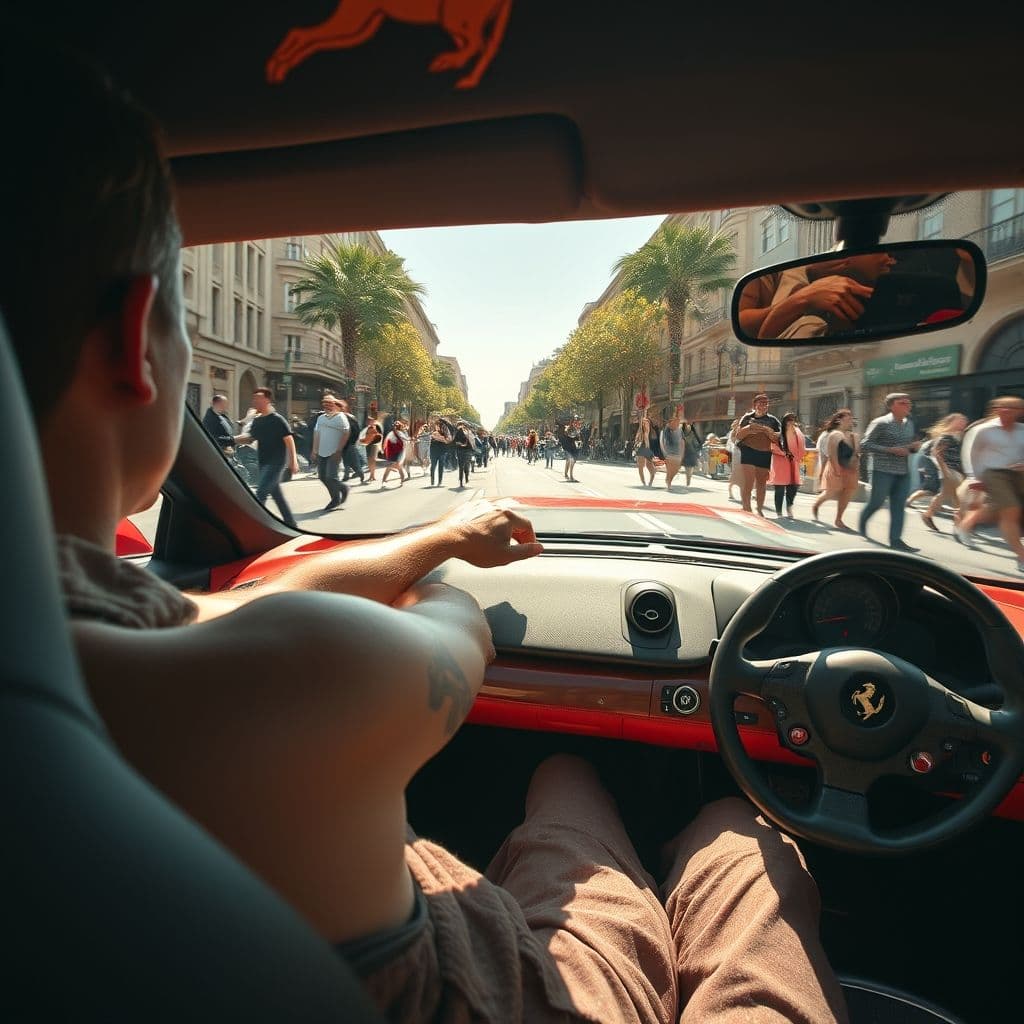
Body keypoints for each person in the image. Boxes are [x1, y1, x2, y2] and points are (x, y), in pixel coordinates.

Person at [4, 50, 850, 1024]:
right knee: (742, 850)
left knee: (570, 802)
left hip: (431, 934)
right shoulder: (315, 673)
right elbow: (456, 635)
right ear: (134, 334)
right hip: (502, 990)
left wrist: (439, 529)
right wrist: (446, 558)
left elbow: (237, 610)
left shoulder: (88, 643)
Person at [956, 396, 1024, 570]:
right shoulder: (983, 430)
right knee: (1011, 510)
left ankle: (965, 525)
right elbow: (971, 454)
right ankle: (1021, 555)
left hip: (1019, 475)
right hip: (993, 473)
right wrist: (974, 477)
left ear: (1020, 411)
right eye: (1003, 407)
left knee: (996, 510)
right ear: (996, 409)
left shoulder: (1022, 430)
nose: (1007, 410)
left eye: (1013, 408)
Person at [858, 392, 920, 551]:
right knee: (876, 503)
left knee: (899, 506)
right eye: (903, 403)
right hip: (882, 470)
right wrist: (890, 450)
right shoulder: (880, 423)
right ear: (891, 406)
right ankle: (863, 521)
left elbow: (907, 446)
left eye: (909, 403)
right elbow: (864, 444)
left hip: (903, 472)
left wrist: (913, 448)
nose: (908, 406)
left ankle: (896, 540)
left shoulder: (909, 423)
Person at [234, 387, 300, 529]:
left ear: (267, 400)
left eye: (259, 397)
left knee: (261, 493)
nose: (255, 400)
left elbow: (289, 440)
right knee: (276, 494)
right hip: (263, 461)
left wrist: (293, 461)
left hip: (276, 463)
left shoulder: (277, 419)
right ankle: (291, 523)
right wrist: (231, 439)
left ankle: (256, 526)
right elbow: (249, 438)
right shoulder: (257, 420)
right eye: (254, 398)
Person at [812, 409, 861, 530]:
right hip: (836, 467)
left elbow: (857, 453)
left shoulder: (854, 436)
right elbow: (832, 454)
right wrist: (837, 470)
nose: (850, 420)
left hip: (851, 469)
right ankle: (816, 505)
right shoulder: (834, 434)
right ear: (839, 420)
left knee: (847, 493)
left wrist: (856, 462)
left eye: (851, 418)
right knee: (830, 493)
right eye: (848, 418)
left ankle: (839, 519)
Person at [920, 413, 968, 532]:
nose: (964, 423)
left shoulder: (957, 436)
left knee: (953, 496)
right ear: (952, 422)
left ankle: (929, 515)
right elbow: (936, 453)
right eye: (960, 420)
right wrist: (945, 470)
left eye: (964, 421)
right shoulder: (946, 436)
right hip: (949, 470)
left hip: (955, 470)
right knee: (955, 496)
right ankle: (959, 524)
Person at [735, 394, 781, 516]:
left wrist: (769, 432)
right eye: (760, 403)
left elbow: (778, 438)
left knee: (761, 483)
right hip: (748, 450)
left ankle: (759, 509)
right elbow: (738, 435)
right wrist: (750, 428)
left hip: (765, 452)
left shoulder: (773, 420)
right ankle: (746, 508)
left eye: (766, 404)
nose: (763, 406)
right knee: (748, 482)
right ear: (755, 405)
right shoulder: (747, 418)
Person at [310, 395, 350, 510]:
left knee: (331, 477)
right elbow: (316, 433)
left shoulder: (341, 417)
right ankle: (340, 492)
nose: (327, 405)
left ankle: (337, 497)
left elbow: (346, 433)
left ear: (335, 404)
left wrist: (339, 450)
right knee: (322, 476)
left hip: (334, 452)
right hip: (322, 452)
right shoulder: (321, 418)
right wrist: (314, 450)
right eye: (325, 403)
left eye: (329, 403)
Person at [769, 412, 806, 518]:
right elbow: (772, 447)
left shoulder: (798, 434)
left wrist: (797, 457)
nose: (791, 422)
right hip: (780, 464)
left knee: (793, 487)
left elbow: (802, 448)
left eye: (793, 419)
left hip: (793, 463)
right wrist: (784, 453)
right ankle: (779, 512)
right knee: (780, 489)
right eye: (788, 420)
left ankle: (789, 507)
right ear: (784, 421)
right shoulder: (778, 434)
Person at [379, 418, 408, 488]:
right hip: (392, 452)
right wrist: (383, 449)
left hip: (399, 451)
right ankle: (383, 481)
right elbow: (386, 441)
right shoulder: (391, 433)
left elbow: (406, 441)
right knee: (389, 467)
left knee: (398, 465)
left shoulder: (401, 433)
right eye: (395, 426)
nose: (395, 427)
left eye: (397, 426)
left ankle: (402, 479)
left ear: (399, 427)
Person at [660, 410, 682, 490]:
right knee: (670, 470)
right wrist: (665, 453)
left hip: (677, 453)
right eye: (677, 420)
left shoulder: (679, 430)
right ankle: (668, 483)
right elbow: (663, 442)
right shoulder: (666, 430)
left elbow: (681, 441)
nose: (678, 422)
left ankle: (668, 479)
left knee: (676, 470)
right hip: (669, 453)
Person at [428, 415, 452, 487]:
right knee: (433, 466)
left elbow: (448, 439)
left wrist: (440, 438)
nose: (433, 419)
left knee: (441, 466)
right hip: (433, 449)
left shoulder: (444, 428)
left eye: (435, 418)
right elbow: (429, 436)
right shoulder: (431, 428)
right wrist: (433, 436)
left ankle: (440, 481)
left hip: (442, 449)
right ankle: (432, 481)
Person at [634, 415, 657, 487]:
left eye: (647, 423)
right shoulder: (642, 433)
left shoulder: (650, 432)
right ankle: (645, 483)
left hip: (645, 450)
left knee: (650, 468)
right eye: (644, 424)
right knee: (642, 466)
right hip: (643, 449)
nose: (646, 425)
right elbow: (644, 443)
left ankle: (649, 483)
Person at [359, 416, 383, 482]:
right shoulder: (367, 428)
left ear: (373, 421)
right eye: (368, 421)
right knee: (369, 460)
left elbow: (380, 436)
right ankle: (371, 475)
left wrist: (380, 447)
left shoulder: (377, 427)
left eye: (370, 420)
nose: (369, 422)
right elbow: (362, 436)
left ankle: (372, 475)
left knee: (373, 460)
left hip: (374, 445)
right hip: (368, 445)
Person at [680, 417, 702, 487]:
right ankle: (687, 481)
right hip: (684, 450)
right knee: (686, 467)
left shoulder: (693, 430)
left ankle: (688, 482)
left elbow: (698, 440)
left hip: (691, 451)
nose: (690, 422)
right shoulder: (681, 429)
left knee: (689, 468)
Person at [559, 416, 582, 482]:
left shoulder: (578, 430)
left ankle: (566, 474)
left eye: (577, 422)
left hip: (574, 447)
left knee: (570, 461)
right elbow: (567, 435)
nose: (576, 423)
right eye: (574, 422)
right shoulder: (567, 429)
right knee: (570, 460)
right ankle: (570, 476)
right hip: (568, 447)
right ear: (571, 422)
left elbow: (578, 439)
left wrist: (579, 441)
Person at [453, 418, 475, 488]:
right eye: (459, 425)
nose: (460, 426)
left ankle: (466, 477)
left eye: (461, 425)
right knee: (461, 466)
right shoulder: (457, 432)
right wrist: (459, 444)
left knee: (466, 466)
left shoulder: (468, 432)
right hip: (461, 451)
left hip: (467, 451)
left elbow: (472, 441)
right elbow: (454, 442)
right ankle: (461, 481)